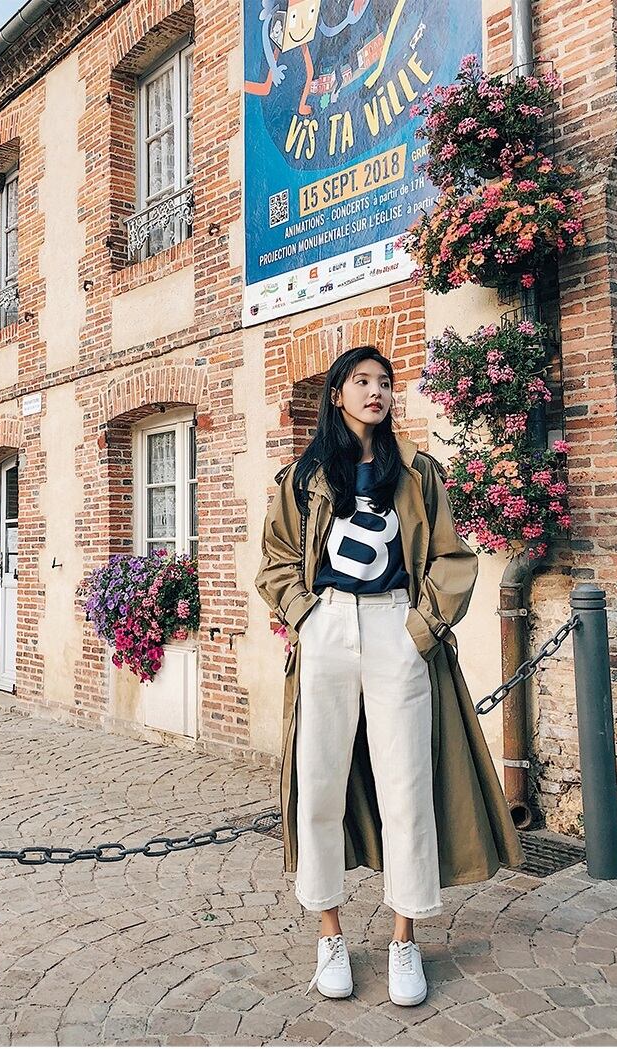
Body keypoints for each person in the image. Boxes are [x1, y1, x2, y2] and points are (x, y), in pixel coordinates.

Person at [255, 344, 525, 1006]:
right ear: (337, 394)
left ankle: (405, 938)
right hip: (327, 629)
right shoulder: (302, 476)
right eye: (361, 380)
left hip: (395, 629)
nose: (375, 391)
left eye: (384, 381)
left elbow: (451, 558)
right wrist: (307, 617)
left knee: (406, 783)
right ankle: (329, 933)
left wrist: (420, 630)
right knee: (319, 783)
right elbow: (276, 561)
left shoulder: (416, 471)